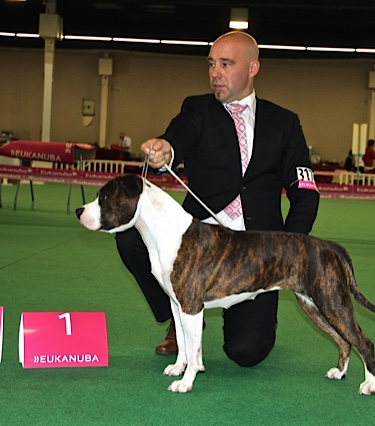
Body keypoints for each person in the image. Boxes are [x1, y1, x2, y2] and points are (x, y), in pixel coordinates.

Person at [114, 31, 320, 367]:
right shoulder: (197, 109)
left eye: (226, 64)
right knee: (129, 239)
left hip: (253, 252)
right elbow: (178, 137)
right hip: (199, 245)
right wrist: (166, 149)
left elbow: (305, 192)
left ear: (252, 68)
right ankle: (178, 311)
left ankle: (260, 316)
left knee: (246, 352)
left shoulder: (284, 122)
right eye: (211, 64)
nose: (215, 73)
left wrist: (287, 248)